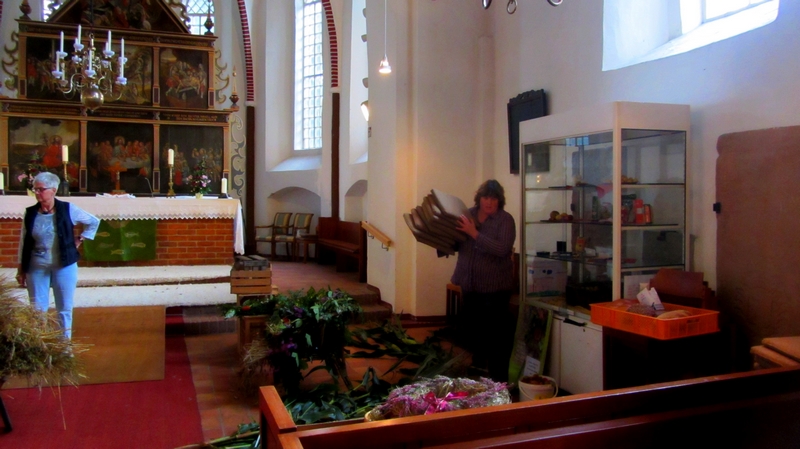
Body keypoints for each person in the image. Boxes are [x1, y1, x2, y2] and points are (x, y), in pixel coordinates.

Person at [15, 172, 100, 340]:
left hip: (64, 264)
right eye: (35, 189)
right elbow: (23, 241)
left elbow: (93, 221)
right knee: (37, 309)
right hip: (36, 265)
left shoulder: (69, 209)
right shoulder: (30, 212)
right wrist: (21, 268)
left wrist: (80, 239)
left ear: (53, 190)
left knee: (64, 307)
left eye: (41, 189)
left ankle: (64, 345)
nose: (37, 193)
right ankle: (40, 343)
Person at [451, 179, 517, 382]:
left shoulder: (505, 220)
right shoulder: (468, 214)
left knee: (495, 336)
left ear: (499, 201)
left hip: (494, 289)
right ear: (479, 198)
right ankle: (478, 369)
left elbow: (502, 249)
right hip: (470, 284)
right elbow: (458, 243)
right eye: (486, 197)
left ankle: (498, 380)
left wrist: (474, 233)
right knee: (474, 332)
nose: (489, 202)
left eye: (494, 198)